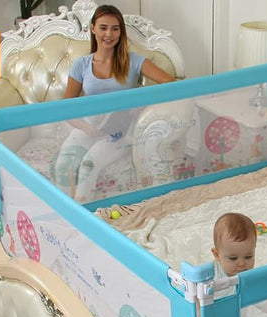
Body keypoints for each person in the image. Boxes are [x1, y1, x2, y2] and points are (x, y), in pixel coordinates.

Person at [53, 4, 176, 201]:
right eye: (103, 28)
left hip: (118, 132)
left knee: (88, 165)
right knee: (63, 164)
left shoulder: (133, 61)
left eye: (115, 29)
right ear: (93, 28)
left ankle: (85, 214)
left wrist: (142, 104)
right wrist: (87, 128)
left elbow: (170, 83)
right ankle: (65, 212)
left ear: (121, 32)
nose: (109, 34)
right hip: (88, 127)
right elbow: (66, 107)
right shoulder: (81, 64)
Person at [212, 213, 267, 317]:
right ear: (217, 255)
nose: (242, 263)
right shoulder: (211, 274)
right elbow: (195, 294)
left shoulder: (247, 277)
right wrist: (197, 310)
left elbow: (259, 298)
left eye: (248, 257)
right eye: (233, 258)